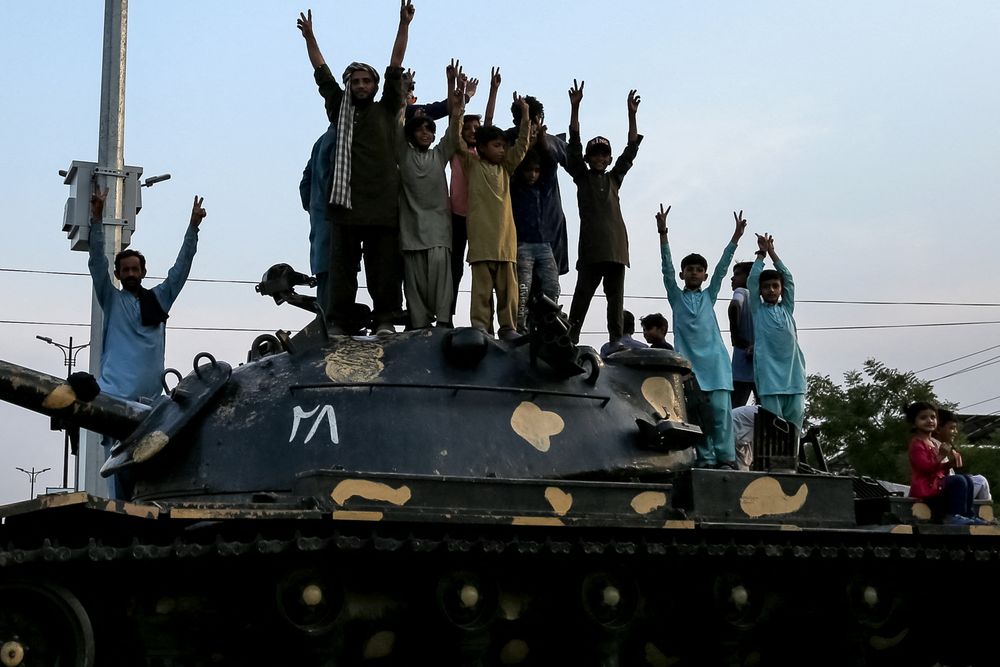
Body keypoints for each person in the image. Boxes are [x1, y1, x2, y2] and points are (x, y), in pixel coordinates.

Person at [297, 3, 413, 334]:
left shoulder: (386, 107)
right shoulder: (339, 107)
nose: (361, 86)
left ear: (375, 86)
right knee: (343, 270)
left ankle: (385, 320)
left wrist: (403, 24)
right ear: (349, 85)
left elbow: (396, 63)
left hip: (380, 204)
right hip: (344, 205)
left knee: (382, 269)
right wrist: (310, 37)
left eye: (366, 81)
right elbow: (322, 73)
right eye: (356, 81)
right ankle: (338, 322)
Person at [88, 187, 205, 498]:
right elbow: (96, 263)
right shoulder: (112, 300)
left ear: (142, 272)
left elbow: (181, 270)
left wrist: (193, 227)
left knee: (150, 482)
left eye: (134, 269)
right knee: (119, 480)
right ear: (118, 274)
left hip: (150, 405)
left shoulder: (159, 300)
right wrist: (96, 218)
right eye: (125, 270)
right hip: (114, 399)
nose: (130, 273)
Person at [656, 204, 746, 469]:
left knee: (721, 415)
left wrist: (735, 239)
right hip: (690, 370)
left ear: (705, 276)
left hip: (716, 367)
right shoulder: (676, 298)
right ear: (683, 274)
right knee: (698, 417)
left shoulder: (709, 295)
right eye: (689, 269)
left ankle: (727, 459)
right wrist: (663, 234)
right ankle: (706, 460)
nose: (694, 272)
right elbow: (666, 270)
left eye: (699, 269)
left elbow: (722, 268)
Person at [565, 80, 642, 348]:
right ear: (588, 158)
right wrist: (575, 108)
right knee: (582, 295)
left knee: (615, 300)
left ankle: (616, 342)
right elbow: (573, 145)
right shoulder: (582, 177)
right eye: (595, 154)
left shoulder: (614, 179)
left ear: (609, 159)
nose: (600, 158)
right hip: (591, 250)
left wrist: (631, 115)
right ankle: (570, 339)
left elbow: (630, 150)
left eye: (604, 155)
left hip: (616, 249)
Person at [457, 95, 533, 339]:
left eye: (503, 146)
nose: (502, 150)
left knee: (508, 291)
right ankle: (481, 326)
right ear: (481, 148)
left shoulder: (505, 168)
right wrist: (459, 105)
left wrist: (525, 115)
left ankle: (508, 327)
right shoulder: (472, 164)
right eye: (496, 145)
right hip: (481, 242)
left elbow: (522, 144)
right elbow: (455, 137)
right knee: (481, 291)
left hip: (505, 244)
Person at [396, 67, 465, 328]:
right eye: (420, 129)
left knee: (442, 285)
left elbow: (454, 127)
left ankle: (444, 324)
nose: (425, 133)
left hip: (438, 234)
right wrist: (403, 94)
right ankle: (418, 326)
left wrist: (452, 90)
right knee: (414, 288)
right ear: (412, 134)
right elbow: (397, 122)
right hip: (412, 234)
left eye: (429, 130)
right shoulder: (403, 154)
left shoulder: (439, 155)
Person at [449, 66, 501, 317]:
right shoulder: (457, 151)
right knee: (454, 267)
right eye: (467, 128)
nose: (472, 131)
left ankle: (485, 320)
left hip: (480, 218)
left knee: (484, 269)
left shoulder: (482, 155)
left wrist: (493, 90)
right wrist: (458, 92)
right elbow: (453, 118)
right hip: (457, 215)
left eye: (475, 129)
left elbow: (489, 124)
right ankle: (446, 316)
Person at [505, 94, 571, 279]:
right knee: (521, 288)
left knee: (549, 290)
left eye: (535, 120)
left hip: (550, 227)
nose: (532, 126)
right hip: (518, 231)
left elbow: (577, 165)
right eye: (526, 121)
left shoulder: (551, 141)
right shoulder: (507, 140)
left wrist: (543, 143)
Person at [747, 234, 806, 432]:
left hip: (794, 376)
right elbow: (752, 280)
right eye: (766, 287)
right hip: (770, 377)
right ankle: (774, 462)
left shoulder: (786, 309)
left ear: (781, 290)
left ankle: (794, 460)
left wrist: (773, 252)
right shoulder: (758, 310)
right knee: (774, 425)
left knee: (795, 422)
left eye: (775, 286)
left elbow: (788, 278)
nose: (771, 290)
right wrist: (761, 255)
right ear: (760, 291)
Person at [906, 401, 987, 525]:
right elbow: (925, 469)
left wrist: (949, 464)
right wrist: (940, 456)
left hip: (936, 484)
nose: (929, 421)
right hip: (926, 487)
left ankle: (968, 514)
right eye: (923, 418)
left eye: (933, 417)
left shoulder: (932, 443)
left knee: (967, 480)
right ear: (914, 422)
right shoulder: (917, 444)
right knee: (958, 481)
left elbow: (938, 469)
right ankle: (953, 516)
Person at [512, 149, 560, 333]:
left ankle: (549, 324)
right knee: (523, 288)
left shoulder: (543, 187)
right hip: (522, 243)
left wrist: (540, 137)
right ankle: (520, 327)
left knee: (552, 286)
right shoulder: (515, 187)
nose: (532, 174)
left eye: (536, 170)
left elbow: (551, 164)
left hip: (544, 244)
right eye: (528, 170)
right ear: (521, 171)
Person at [299, 123, 336, 309]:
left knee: (325, 285)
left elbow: (305, 182)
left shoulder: (320, 142)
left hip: (320, 228)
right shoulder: (342, 139)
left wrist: (313, 207)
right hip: (335, 226)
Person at [935, 409, 991, 501]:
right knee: (981, 481)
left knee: (971, 479)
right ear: (938, 429)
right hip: (943, 493)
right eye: (952, 428)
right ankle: (985, 513)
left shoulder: (940, 446)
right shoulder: (938, 447)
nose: (955, 432)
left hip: (947, 489)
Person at [729, 261, 756, 407]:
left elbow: (734, 305)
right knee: (766, 413)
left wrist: (735, 335)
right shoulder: (762, 300)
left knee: (735, 411)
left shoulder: (741, 291)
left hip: (741, 367)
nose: (732, 279)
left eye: (737, 275)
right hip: (762, 369)